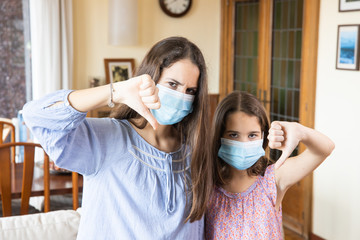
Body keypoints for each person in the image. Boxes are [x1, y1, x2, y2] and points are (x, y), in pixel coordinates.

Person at [22, 36, 213, 239]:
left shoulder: (195, 151)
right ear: (149, 80)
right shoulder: (107, 138)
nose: (181, 96)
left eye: (190, 90)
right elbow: (36, 116)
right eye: (173, 84)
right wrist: (115, 91)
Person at [205, 91, 334, 239]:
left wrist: (300, 131)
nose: (244, 143)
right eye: (233, 135)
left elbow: (326, 148)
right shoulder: (208, 184)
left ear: (263, 136)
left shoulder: (273, 179)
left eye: (252, 135)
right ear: (219, 136)